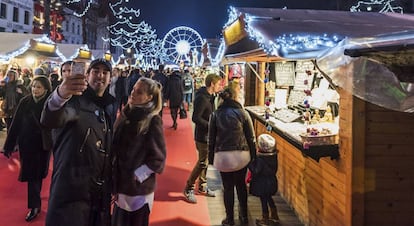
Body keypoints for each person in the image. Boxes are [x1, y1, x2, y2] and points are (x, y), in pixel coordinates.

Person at [40, 58, 115, 226]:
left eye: (105, 72)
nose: (100, 76)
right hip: (72, 194)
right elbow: (50, 119)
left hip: (99, 195)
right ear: (87, 75)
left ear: (111, 77)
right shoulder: (74, 101)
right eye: (95, 71)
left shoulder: (110, 105)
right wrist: (60, 95)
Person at [111, 77, 167, 226]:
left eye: (139, 92)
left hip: (138, 191)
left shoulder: (152, 120)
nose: (133, 94)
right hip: (120, 184)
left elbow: (158, 158)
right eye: (133, 90)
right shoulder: (127, 113)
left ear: (149, 97)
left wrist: (137, 175)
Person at [3, 76, 53, 222]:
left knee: (39, 175)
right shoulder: (25, 102)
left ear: (45, 89)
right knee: (32, 176)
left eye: (38, 87)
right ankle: (34, 206)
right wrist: (9, 145)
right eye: (33, 87)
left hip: (43, 145)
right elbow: (16, 124)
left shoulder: (50, 102)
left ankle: (36, 200)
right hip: (28, 144)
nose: (35, 90)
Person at [208, 80, 257, 226]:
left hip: (223, 156)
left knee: (227, 187)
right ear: (236, 97)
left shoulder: (215, 114)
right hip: (241, 154)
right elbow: (251, 137)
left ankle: (229, 219)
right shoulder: (243, 113)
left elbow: (211, 139)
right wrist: (254, 156)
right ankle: (244, 216)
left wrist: (211, 158)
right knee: (241, 185)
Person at [183, 73, 222, 203]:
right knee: (202, 162)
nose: (219, 87)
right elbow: (195, 117)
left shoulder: (211, 97)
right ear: (212, 84)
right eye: (218, 84)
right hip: (203, 135)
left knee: (205, 162)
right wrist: (210, 125)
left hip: (208, 135)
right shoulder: (202, 98)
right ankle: (188, 187)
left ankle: (202, 186)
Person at [248, 134, 279, 226]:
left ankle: (265, 219)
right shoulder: (273, 157)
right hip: (272, 181)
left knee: (264, 200)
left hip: (262, 183)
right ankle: (274, 215)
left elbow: (256, 170)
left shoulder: (261, 159)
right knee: (269, 198)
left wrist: (250, 163)